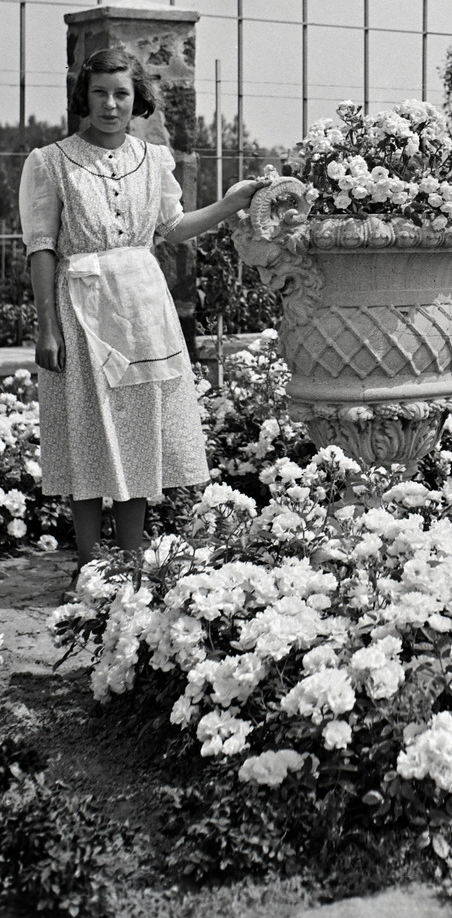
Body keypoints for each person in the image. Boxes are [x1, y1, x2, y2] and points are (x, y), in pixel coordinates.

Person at [18, 48, 268, 589]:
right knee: (86, 430)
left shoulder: (153, 160)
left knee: (135, 433)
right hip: (78, 308)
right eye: (100, 92)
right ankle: (88, 569)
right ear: (83, 97)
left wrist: (232, 203)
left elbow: (173, 226)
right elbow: (41, 247)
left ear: (138, 100)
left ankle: (131, 565)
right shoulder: (52, 161)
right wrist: (45, 326)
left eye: (122, 93)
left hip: (140, 310)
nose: (110, 104)